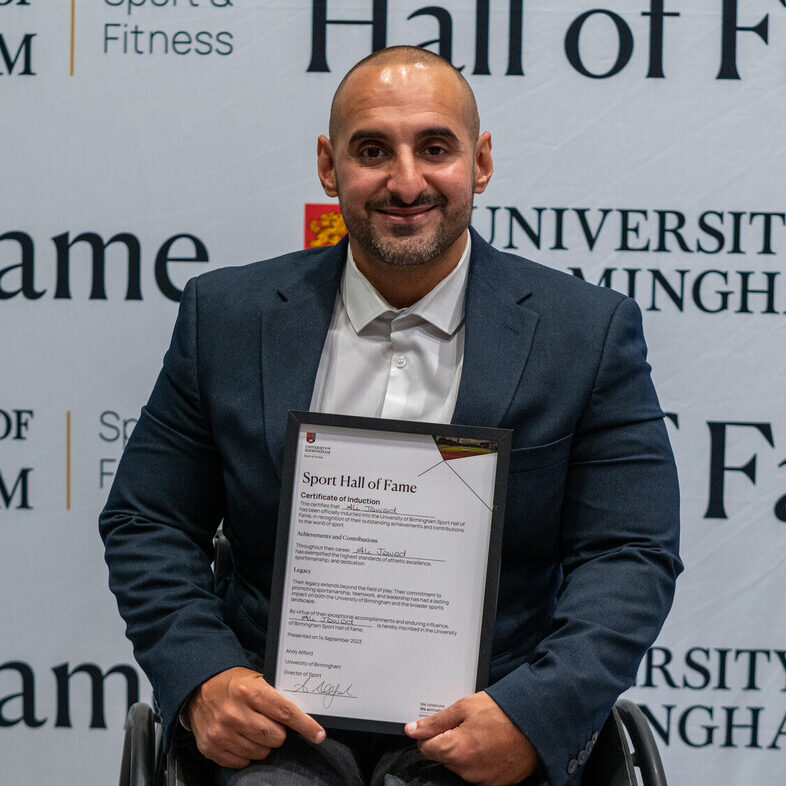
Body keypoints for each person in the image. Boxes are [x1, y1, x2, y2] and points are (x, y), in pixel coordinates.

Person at [100, 46, 682, 786]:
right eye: (372, 150)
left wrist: (535, 712)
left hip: (492, 720)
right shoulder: (226, 319)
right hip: (275, 728)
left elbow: (630, 552)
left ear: (481, 162)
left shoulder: (586, 334)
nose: (406, 182)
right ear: (327, 165)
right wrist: (204, 676)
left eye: (435, 148)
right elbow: (147, 521)